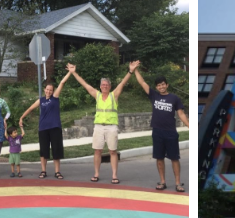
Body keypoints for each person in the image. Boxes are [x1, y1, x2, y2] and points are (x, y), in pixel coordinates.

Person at [131, 61, 190, 192]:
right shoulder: (154, 95)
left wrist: (190, 126)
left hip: (171, 132)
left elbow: (181, 113)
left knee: (174, 158)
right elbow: (142, 83)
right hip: (157, 131)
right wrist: (135, 70)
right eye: (159, 85)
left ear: (167, 85)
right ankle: (162, 182)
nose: (161, 87)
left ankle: (178, 183)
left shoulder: (174, 98)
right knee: (159, 158)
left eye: (163, 84)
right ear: (157, 87)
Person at [70, 63, 133, 183]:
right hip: (98, 127)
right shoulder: (97, 95)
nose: (104, 86)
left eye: (106, 85)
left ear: (109, 86)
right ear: (100, 86)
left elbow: (122, 83)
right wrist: (74, 73)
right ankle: (96, 174)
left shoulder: (113, 96)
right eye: (102, 85)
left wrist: (130, 72)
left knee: (113, 151)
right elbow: (84, 84)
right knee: (97, 150)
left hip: (111, 127)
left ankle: (114, 175)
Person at [19, 65, 74, 179]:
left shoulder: (55, 97)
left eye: (50, 90)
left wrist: (70, 73)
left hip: (55, 127)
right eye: (47, 89)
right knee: (44, 150)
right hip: (43, 128)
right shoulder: (41, 100)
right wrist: (21, 118)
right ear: (44, 90)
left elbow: (62, 83)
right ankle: (43, 171)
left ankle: (57, 172)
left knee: (56, 150)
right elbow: (30, 108)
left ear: (52, 91)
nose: (48, 91)